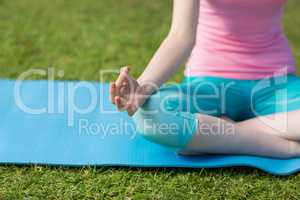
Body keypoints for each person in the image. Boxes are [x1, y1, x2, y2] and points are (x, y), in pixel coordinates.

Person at [109, 0, 300, 158]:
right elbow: (180, 36)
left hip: (277, 82)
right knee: (150, 114)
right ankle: (275, 146)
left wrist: (213, 132)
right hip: (210, 82)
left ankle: (218, 134)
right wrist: (142, 88)